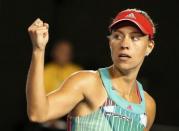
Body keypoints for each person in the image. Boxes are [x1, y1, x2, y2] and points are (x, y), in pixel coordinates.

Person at [26, 8, 156, 131]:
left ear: (149, 46)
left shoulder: (148, 106)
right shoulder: (87, 83)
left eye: (135, 38)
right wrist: (38, 50)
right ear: (110, 43)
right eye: (118, 36)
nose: (124, 44)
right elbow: (37, 114)